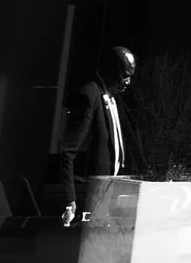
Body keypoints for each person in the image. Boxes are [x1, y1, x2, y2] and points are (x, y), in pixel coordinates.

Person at [55, 43, 136, 229]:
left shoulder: (111, 98)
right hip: (90, 197)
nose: (128, 82)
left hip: (107, 195)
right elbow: (68, 151)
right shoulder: (90, 94)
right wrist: (70, 200)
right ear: (113, 70)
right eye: (125, 75)